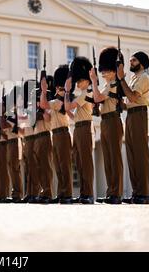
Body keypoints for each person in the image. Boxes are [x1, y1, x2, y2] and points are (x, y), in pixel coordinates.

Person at [90, 47, 124, 204]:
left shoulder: (113, 84)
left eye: (106, 71)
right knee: (108, 159)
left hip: (113, 120)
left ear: (113, 70)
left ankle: (116, 193)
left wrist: (94, 82)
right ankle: (111, 191)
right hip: (105, 121)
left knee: (114, 158)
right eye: (102, 71)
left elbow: (97, 97)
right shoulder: (108, 84)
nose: (103, 73)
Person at [117, 51, 149, 204]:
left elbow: (132, 97)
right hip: (131, 115)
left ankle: (143, 194)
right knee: (131, 155)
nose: (131, 62)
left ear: (142, 63)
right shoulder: (133, 78)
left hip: (140, 115)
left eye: (134, 60)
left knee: (140, 155)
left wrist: (121, 79)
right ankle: (136, 192)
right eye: (130, 60)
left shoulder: (144, 78)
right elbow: (128, 103)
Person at [40, 65, 73, 204]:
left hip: (63, 134)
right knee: (58, 166)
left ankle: (67, 194)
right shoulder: (55, 102)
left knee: (64, 166)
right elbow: (47, 117)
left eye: (60, 88)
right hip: (55, 134)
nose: (58, 90)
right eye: (57, 88)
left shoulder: (60, 102)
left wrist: (43, 90)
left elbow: (44, 104)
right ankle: (61, 193)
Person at [64, 56, 95, 204]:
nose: (78, 83)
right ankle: (84, 192)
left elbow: (69, 106)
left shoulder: (87, 92)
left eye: (80, 81)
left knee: (86, 162)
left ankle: (88, 193)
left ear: (87, 80)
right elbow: (71, 113)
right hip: (78, 127)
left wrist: (66, 91)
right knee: (79, 162)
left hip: (84, 128)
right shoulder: (82, 94)